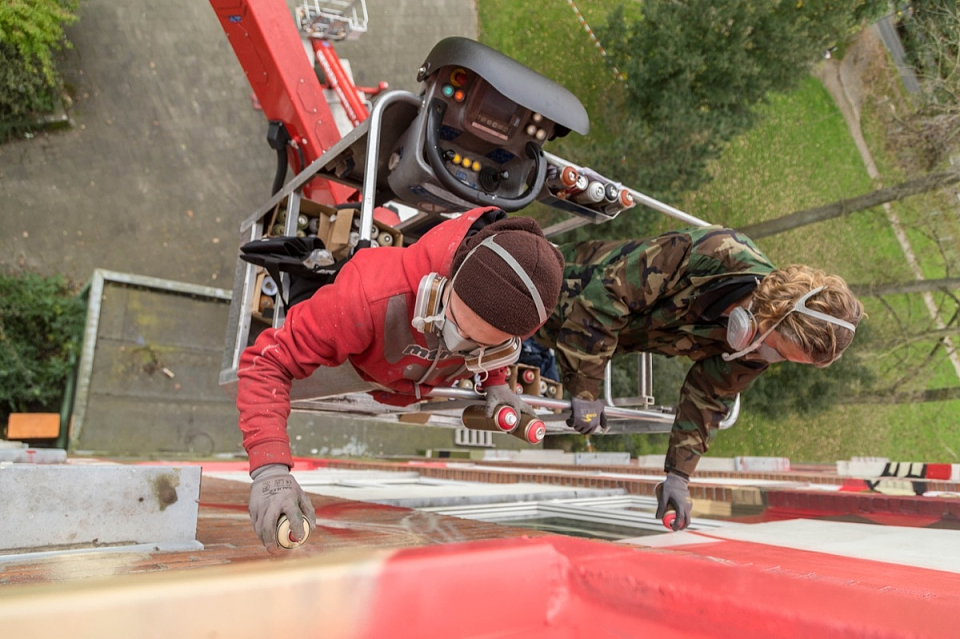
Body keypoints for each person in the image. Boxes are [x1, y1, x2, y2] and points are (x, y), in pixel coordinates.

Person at [238, 206, 565, 550]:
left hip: (398, 377)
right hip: (353, 336)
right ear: (445, 280)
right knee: (308, 300)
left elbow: (488, 346)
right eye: (454, 318)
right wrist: (270, 471)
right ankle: (311, 266)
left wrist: (496, 380)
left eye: (478, 342)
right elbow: (266, 363)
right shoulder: (370, 296)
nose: (456, 342)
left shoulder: (498, 325)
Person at [535, 225, 864, 531]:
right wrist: (585, 388)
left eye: (781, 357)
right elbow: (607, 298)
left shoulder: (757, 345)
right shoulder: (714, 255)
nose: (768, 357)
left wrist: (678, 476)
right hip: (553, 284)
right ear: (776, 311)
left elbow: (707, 397)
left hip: (561, 337)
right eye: (776, 347)